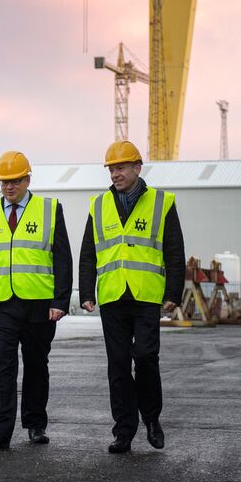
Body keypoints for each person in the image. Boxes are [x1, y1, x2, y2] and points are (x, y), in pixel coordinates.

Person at [79, 140, 185, 454]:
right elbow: (88, 254)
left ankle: (151, 418)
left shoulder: (161, 202)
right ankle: (123, 431)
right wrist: (87, 292)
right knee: (119, 364)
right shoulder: (98, 206)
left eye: (121, 167)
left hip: (146, 295)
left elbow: (174, 251)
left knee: (146, 357)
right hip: (112, 295)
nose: (116, 174)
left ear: (138, 167)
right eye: (112, 168)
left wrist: (173, 293)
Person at [0, 150, 72, 449]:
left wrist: (60, 301)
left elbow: (62, 257)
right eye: (3, 182)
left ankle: (35, 425)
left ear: (27, 179)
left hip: (38, 303)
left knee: (36, 365)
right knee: (1, 365)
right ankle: (0, 430)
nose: (9, 187)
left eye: (15, 181)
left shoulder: (49, 209)